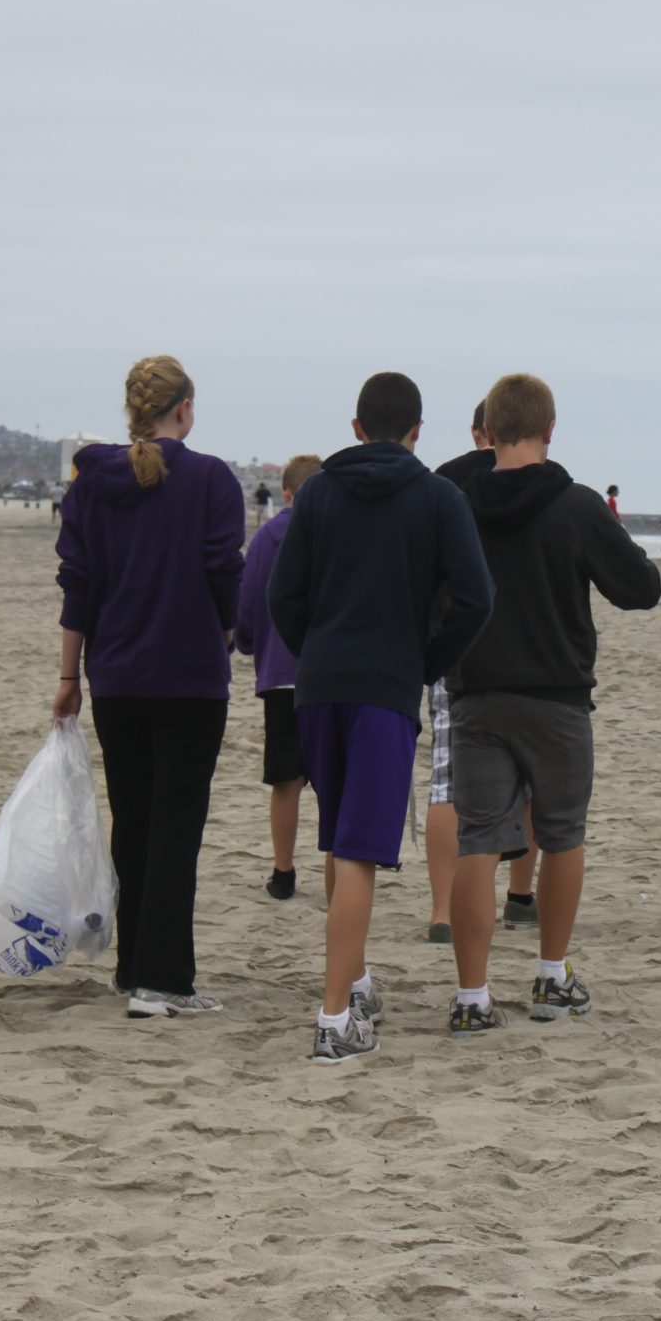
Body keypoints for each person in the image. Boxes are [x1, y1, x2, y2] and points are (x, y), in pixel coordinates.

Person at [269, 372, 491, 1064]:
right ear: (418, 430)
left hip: (319, 686)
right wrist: (427, 661)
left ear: (357, 427)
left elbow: (283, 595)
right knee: (360, 849)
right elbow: (476, 598)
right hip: (383, 687)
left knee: (340, 839)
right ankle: (335, 1017)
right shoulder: (439, 497)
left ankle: (356, 982)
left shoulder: (319, 493)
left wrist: (316, 650)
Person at [444, 374, 660, 1036]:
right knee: (563, 834)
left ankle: (472, 996)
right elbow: (641, 587)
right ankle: (550, 975)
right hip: (557, 695)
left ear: (488, 431)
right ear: (549, 430)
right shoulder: (576, 506)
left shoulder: (456, 502)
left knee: (478, 841)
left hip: (477, 690)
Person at [55, 356, 245, 1019]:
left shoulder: (92, 483)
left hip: (116, 676)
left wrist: (68, 677)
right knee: (174, 829)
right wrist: (228, 628)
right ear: (184, 408)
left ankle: (134, 967)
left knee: (133, 821)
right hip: (190, 676)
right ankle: (163, 982)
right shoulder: (211, 478)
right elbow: (224, 568)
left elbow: (77, 584)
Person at [425, 400, 537, 944]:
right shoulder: (544, 483)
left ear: (480, 431)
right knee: (528, 779)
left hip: (454, 643)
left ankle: (443, 911)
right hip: (527, 647)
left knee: (446, 780)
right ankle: (519, 896)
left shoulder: (443, 483)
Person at [236, 453, 323, 900]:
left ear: (286, 492)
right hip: (329, 674)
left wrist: (249, 641)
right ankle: (339, 867)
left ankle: (283, 870)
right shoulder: (334, 531)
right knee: (332, 777)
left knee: (286, 778)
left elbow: (249, 598)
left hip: (281, 673)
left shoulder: (269, 536)